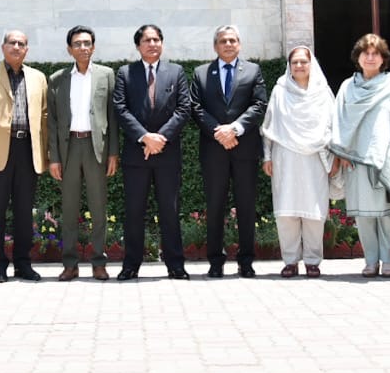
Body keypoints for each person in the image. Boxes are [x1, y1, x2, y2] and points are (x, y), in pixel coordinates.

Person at [332, 34, 390, 278]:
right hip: (355, 160)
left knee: (388, 216)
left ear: (383, 59)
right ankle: (370, 261)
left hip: (386, 159)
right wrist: (342, 151)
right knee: (364, 216)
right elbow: (339, 120)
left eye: (376, 53)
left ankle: (388, 261)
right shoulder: (347, 87)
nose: (371, 57)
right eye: (366, 53)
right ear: (358, 57)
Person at [113, 24, 192, 280]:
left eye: (157, 39)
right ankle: (131, 265)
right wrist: (145, 137)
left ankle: (176, 265)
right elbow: (121, 109)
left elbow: (183, 109)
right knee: (134, 211)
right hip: (136, 156)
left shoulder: (176, 72)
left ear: (162, 43)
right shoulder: (125, 73)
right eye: (147, 40)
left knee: (169, 211)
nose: (152, 44)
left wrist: (161, 138)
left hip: (167, 155)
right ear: (138, 45)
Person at [0, 30, 49, 283]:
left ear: (27, 49)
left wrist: (46, 154)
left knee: (25, 212)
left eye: (22, 43)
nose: (17, 46)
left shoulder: (38, 78)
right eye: (12, 42)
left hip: (28, 150)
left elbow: (45, 118)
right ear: (3, 47)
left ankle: (23, 263)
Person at [190, 25, 268, 278]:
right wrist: (219, 132)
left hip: (244, 149)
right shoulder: (201, 73)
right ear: (215, 46)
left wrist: (235, 129)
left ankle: (246, 262)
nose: (228, 44)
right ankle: (215, 261)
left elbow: (259, 104)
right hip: (214, 150)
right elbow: (196, 108)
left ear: (240, 44)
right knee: (215, 206)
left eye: (233, 40)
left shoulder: (253, 71)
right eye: (223, 41)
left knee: (246, 206)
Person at [261, 46, 342, 278]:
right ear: (289, 66)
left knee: (314, 211)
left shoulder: (323, 91)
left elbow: (334, 125)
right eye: (294, 62)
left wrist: (335, 156)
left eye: (303, 62)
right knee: (286, 212)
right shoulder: (280, 90)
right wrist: (267, 156)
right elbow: (269, 125)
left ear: (311, 64)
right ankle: (290, 261)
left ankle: (313, 261)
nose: (298, 66)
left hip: (316, 157)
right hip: (284, 156)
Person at [47, 26, 119, 281]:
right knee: (69, 209)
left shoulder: (107, 75)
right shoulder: (57, 79)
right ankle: (70, 264)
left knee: (99, 208)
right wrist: (53, 157)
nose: (83, 47)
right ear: (69, 49)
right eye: (77, 43)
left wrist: (113, 153)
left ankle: (99, 262)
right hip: (68, 150)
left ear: (94, 46)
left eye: (87, 43)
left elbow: (113, 116)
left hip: (95, 148)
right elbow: (52, 122)